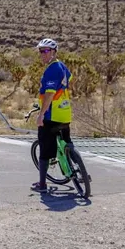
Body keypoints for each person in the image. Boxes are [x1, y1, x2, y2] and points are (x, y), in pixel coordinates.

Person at [32, 38, 72, 193]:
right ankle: (79, 171)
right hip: (65, 112)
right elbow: (69, 78)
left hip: (51, 115)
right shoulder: (62, 66)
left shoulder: (51, 69)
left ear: (54, 52)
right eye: (40, 51)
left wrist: (41, 115)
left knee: (45, 150)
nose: (42, 54)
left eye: (46, 51)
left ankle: (42, 184)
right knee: (67, 143)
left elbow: (49, 94)